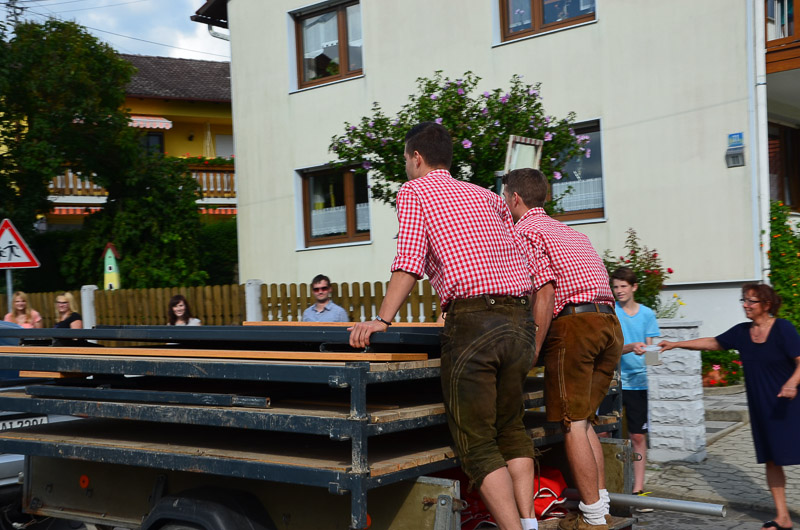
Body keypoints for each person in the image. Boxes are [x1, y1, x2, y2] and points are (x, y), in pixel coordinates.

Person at [349, 122, 538, 530]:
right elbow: (518, 254)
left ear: (417, 158)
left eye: (405, 159)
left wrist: (382, 319)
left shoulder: (414, 191)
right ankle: (530, 523)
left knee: (478, 444)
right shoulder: (488, 195)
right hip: (520, 318)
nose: (406, 167)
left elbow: (409, 261)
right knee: (511, 428)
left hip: (475, 323)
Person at [502, 168, 622, 530]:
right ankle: (600, 508)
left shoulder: (525, 231)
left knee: (572, 424)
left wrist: (533, 348)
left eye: (505, 196)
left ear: (515, 198)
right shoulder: (572, 232)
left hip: (575, 326)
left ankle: (593, 518)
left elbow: (545, 292)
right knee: (585, 422)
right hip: (608, 323)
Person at [660, 283, 799, 530]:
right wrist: (676, 344)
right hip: (763, 408)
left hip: (790, 405)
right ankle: (783, 518)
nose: (745, 305)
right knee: (772, 460)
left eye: (751, 301)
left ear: (766, 304)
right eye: (743, 300)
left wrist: (791, 383)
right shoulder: (742, 332)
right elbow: (713, 342)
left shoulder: (783, 329)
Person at [609, 267, 660, 501]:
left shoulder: (647, 314)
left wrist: (650, 354)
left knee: (638, 436)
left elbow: (652, 354)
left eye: (623, 286)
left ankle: (638, 490)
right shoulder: (611, 312)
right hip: (612, 382)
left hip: (638, 384)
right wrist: (630, 347)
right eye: (615, 287)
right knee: (604, 432)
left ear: (634, 287)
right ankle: (608, 486)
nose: (619, 291)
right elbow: (608, 350)